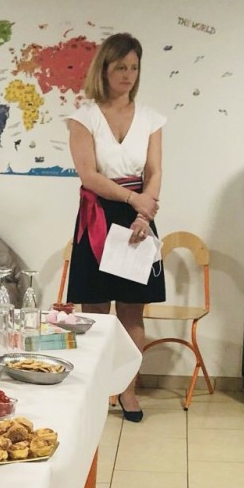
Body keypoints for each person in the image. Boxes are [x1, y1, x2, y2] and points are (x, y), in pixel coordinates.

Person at [65, 32, 164, 422]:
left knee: (131, 311)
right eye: (120, 66)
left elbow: (154, 172)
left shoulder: (151, 117)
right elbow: (88, 175)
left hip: (139, 217)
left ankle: (128, 390)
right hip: (99, 214)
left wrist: (144, 213)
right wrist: (133, 201)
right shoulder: (84, 117)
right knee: (95, 310)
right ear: (104, 69)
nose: (128, 74)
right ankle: (95, 389)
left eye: (134, 67)